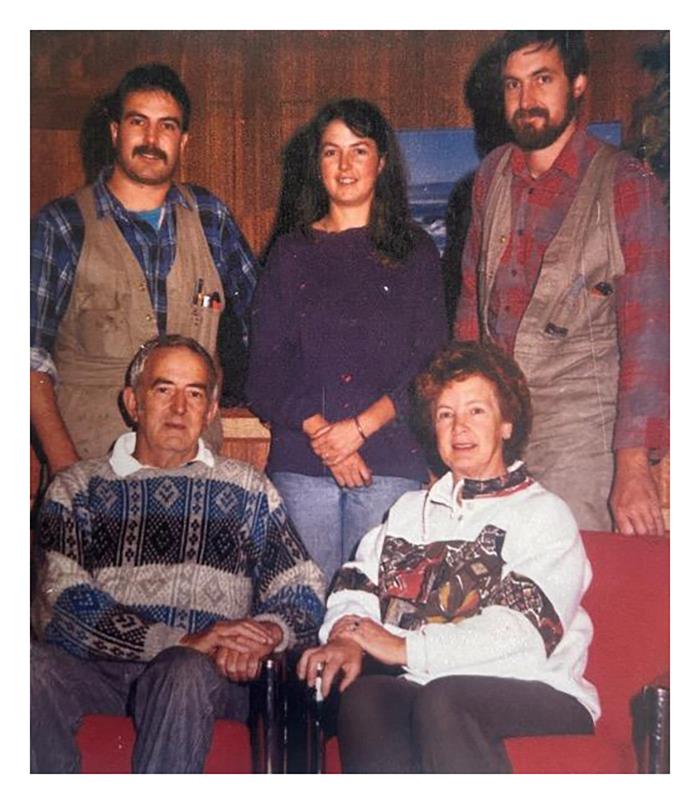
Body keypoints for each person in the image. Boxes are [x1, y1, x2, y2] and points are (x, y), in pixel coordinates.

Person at [298, 340, 599, 773]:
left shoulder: (543, 514)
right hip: (430, 683)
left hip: (540, 688)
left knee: (444, 699)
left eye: (476, 411)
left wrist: (404, 647)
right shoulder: (408, 511)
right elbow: (356, 582)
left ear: (506, 425)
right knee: (369, 697)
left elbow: (522, 638)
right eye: (445, 414)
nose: (459, 427)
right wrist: (347, 635)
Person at [31, 335, 325, 773]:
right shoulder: (78, 488)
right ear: (133, 402)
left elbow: (302, 586)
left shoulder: (247, 489)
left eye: (195, 394)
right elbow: (61, 605)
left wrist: (264, 633)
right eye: (163, 389)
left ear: (210, 411)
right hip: (101, 673)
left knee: (182, 670)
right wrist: (177, 639)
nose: (179, 408)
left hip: (209, 678)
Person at [453, 31, 669, 534]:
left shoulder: (628, 184)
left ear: (577, 84)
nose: (525, 100)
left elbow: (651, 337)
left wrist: (633, 466)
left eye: (542, 80)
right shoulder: (491, 177)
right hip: (498, 431)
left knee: (578, 591)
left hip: (584, 442)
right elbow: (469, 311)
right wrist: (461, 423)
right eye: (513, 85)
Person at [246, 98, 448, 588]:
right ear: (317, 165)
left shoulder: (415, 251)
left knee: (374, 613)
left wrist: (358, 430)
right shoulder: (291, 251)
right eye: (332, 152)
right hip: (302, 463)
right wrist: (328, 440)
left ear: (381, 163)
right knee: (303, 608)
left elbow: (432, 361)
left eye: (359, 151)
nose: (345, 165)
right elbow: (263, 369)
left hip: (391, 459)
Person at [30, 63, 258, 476]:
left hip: (195, 470)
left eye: (166, 126)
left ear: (183, 140)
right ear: (115, 131)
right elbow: (25, 357)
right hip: (91, 467)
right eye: (139, 122)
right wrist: (67, 472)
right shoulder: (62, 225)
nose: (152, 140)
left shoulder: (211, 218)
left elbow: (262, 324)